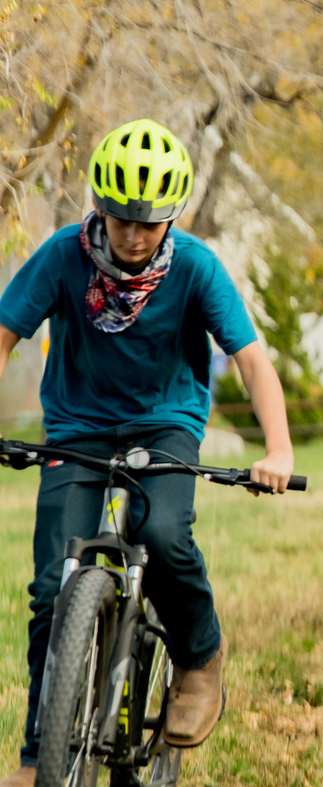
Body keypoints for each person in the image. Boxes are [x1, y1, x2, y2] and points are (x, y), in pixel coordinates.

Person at [0, 119, 296, 787]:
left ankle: (199, 657)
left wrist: (276, 447)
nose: (134, 236)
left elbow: (250, 359)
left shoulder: (194, 265)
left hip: (164, 423)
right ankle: (33, 755)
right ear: (99, 206)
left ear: (173, 215)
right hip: (76, 425)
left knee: (160, 530)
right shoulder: (62, 256)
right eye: (121, 218)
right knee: (52, 588)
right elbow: (4, 333)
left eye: (150, 223)